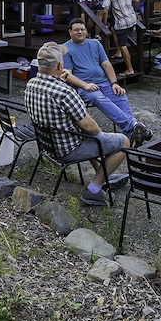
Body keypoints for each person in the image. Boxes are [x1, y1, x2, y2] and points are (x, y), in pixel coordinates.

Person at [24, 42, 129, 206]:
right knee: (123, 142)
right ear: (60, 65)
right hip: (68, 150)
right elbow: (92, 128)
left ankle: (103, 174)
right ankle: (94, 190)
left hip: (48, 145)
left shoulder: (31, 84)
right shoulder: (64, 92)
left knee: (85, 132)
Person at [60, 17, 152, 147]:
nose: (79, 32)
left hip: (103, 82)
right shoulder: (66, 49)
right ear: (70, 32)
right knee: (98, 98)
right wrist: (85, 85)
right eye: (76, 30)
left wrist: (114, 83)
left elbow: (106, 64)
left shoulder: (95, 44)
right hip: (84, 87)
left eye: (82, 29)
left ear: (86, 31)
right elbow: (67, 75)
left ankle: (131, 133)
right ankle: (133, 126)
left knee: (120, 95)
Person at [102, 0, 140, 76]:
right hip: (132, 20)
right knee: (113, 30)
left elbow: (105, 11)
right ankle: (118, 52)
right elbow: (137, 0)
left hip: (122, 23)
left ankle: (130, 69)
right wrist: (135, 11)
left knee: (123, 45)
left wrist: (104, 24)